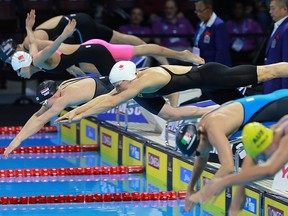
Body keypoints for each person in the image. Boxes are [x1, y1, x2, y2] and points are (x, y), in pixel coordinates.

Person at [3, 76, 214, 158]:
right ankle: (211, 110)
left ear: (55, 94)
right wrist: (17, 139)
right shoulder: (60, 89)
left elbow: (41, 119)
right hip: (117, 91)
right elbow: (38, 114)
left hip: (123, 92)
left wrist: (18, 141)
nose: (46, 106)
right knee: (170, 115)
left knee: (171, 111)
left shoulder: (64, 96)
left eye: (47, 101)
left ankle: (203, 96)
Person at [54, 59, 288, 125]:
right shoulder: (130, 83)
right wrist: (73, 112)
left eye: (119, 85)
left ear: (129, 79)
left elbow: (109, 102)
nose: (116, 89)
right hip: (208, 87)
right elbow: (106, 97)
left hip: (212, 74)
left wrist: (79, 115)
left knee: (268, 72)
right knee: (246, 112)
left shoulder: (142, 82)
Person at [11, 10, 204, 80]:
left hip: (95, 52)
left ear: (26, 65)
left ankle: (168, 70)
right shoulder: (34, 55)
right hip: (93, 48)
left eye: (19, 71)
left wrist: (64, 35)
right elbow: (34, 42)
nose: (19, 75)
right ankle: (181, 57)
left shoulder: (38, 59)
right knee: (139, 50)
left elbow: (52, 47)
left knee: (123, 81)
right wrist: (29, 27)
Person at [180, 88, 288, 212]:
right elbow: (252, 153)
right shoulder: (203, 127)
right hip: (278, 100)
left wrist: (208, 190)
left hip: (281, 106)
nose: (200, 155)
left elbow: (228, 167)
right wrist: (190, 188)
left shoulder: (213, 128)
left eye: (197, 152)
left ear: (200, 139)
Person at [0, 11, 168, 64]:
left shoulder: (30, 43)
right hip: (79, 20)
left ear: (16, 51)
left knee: (89, 60)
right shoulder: (29, 43)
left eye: (10, 61)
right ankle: (160, 58)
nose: (12, 64)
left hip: (77, 28)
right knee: (120, 38)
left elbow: (56, 47)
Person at [151, 0, 195, 65]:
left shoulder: (184, 21)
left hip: (185, 50)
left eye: (171, 8)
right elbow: (157, 42)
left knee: (196, 54)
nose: (169, 11)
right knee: (161, 57)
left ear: (176, 9)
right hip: (168, 52)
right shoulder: (158, 23)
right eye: (167, 8)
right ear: (164, 9)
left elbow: (194, 38)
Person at [193, 0, 232, 66]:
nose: (198, 14)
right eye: (197, 11)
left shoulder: (219, 25)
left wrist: (216, 70)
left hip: (215, 68)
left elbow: (221, 52)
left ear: (209, 8)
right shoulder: (200, 24)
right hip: (201, 66)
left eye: (200, 11)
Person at [262, 0, 288, 94]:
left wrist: (285, 92)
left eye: (273, 8)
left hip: (279, 86)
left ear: (285, 9)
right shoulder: (279, 26)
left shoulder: (286, 28)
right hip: (272, 83)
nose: (270, 11)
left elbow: (286, 62)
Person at [226, 1, 263, 65]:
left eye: (240, 8)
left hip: (250, 53)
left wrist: (256, 52)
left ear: (244, 10)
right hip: (234, 54)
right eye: (235, 8)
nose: (237, 11)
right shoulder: (228, 25)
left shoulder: (252, 23)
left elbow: (261, 41)